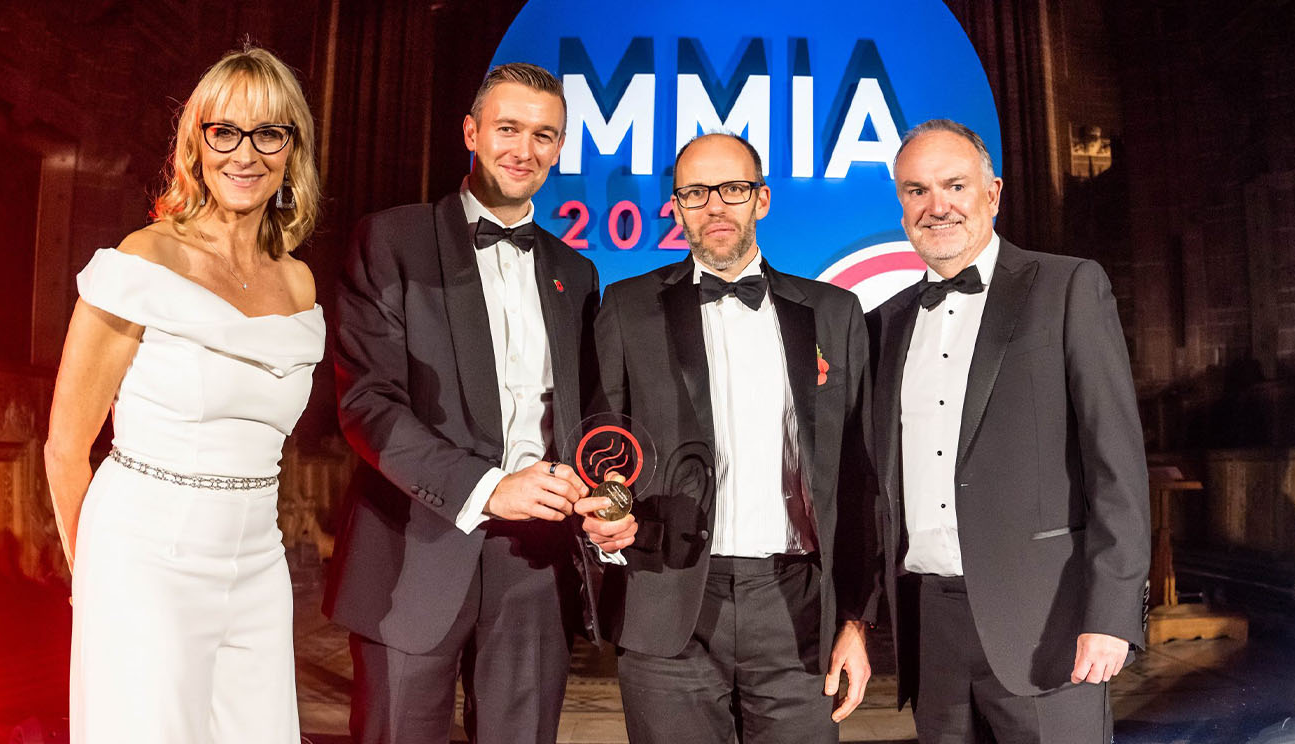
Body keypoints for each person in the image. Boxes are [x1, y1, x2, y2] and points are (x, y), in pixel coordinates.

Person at [323, 62, 612, 743]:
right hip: (411, 550)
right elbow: (368, 401)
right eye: (508, 128)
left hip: (534, 566)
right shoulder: (390, 240)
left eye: (545, 135)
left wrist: (597, 483)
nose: (525, 150)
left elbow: (584, 412)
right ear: (471, 132)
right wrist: (490, 488)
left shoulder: (577, 271)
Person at [43, 45, 323, 743]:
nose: (245, 154)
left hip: (258, 566)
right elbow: (65, 446)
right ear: (195, 144)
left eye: (268, 133)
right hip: (144, 561)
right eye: (223, 131)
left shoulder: (297, 283)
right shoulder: (145, 261)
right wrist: (99, 579)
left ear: (293, 149)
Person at [581, 132, 877, 744]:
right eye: (694, 193)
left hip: (796, 608)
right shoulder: (628, 306)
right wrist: (607, 520)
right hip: (666, 597)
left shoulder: (835, 312)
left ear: (761, 199)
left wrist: (856, 619)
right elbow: (601, 441)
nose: (714, 206)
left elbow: (858, 476)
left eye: (733, 189)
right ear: (676, 207)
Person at [865, 119, 1150, 743]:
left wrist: (1113, 614)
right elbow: (877, 491)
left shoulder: (1068, 286)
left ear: (992, 193)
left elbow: (1117, 467)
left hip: (1049, 625)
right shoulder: (882, 324)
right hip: (930, 629)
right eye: (916, 191)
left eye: (954, 186)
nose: (936, 206)